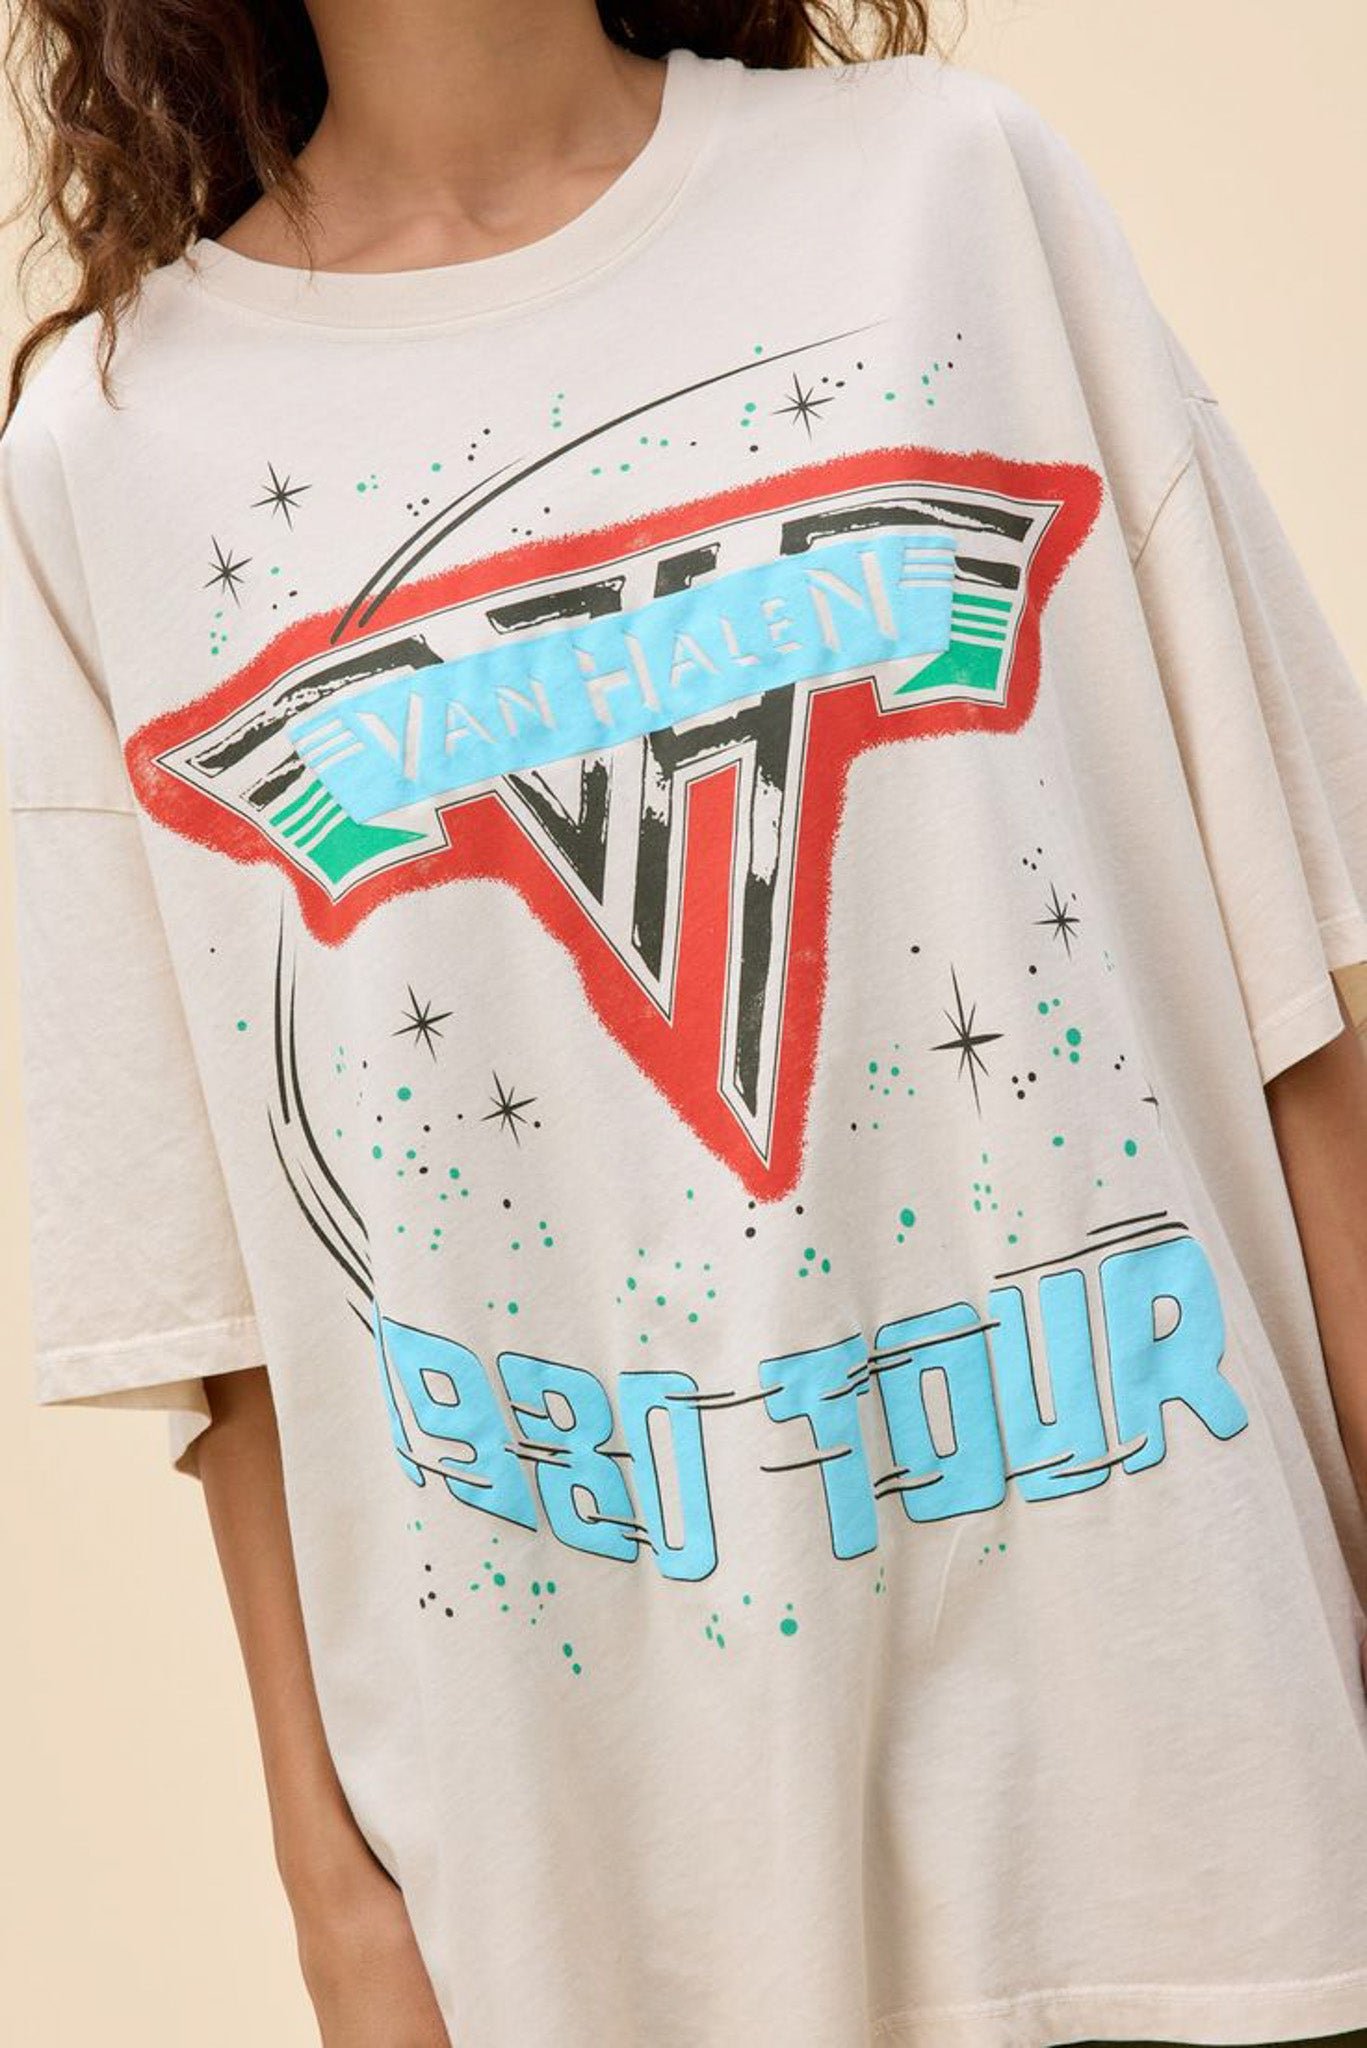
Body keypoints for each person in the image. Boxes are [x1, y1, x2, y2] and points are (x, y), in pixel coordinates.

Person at [2, 1, 1367, 2043]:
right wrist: (336, 1902)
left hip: (1194, 1802)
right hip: (616, 1902)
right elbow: (234, 1335)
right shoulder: (112, 459)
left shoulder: (943, 196)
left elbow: (1296, 999)